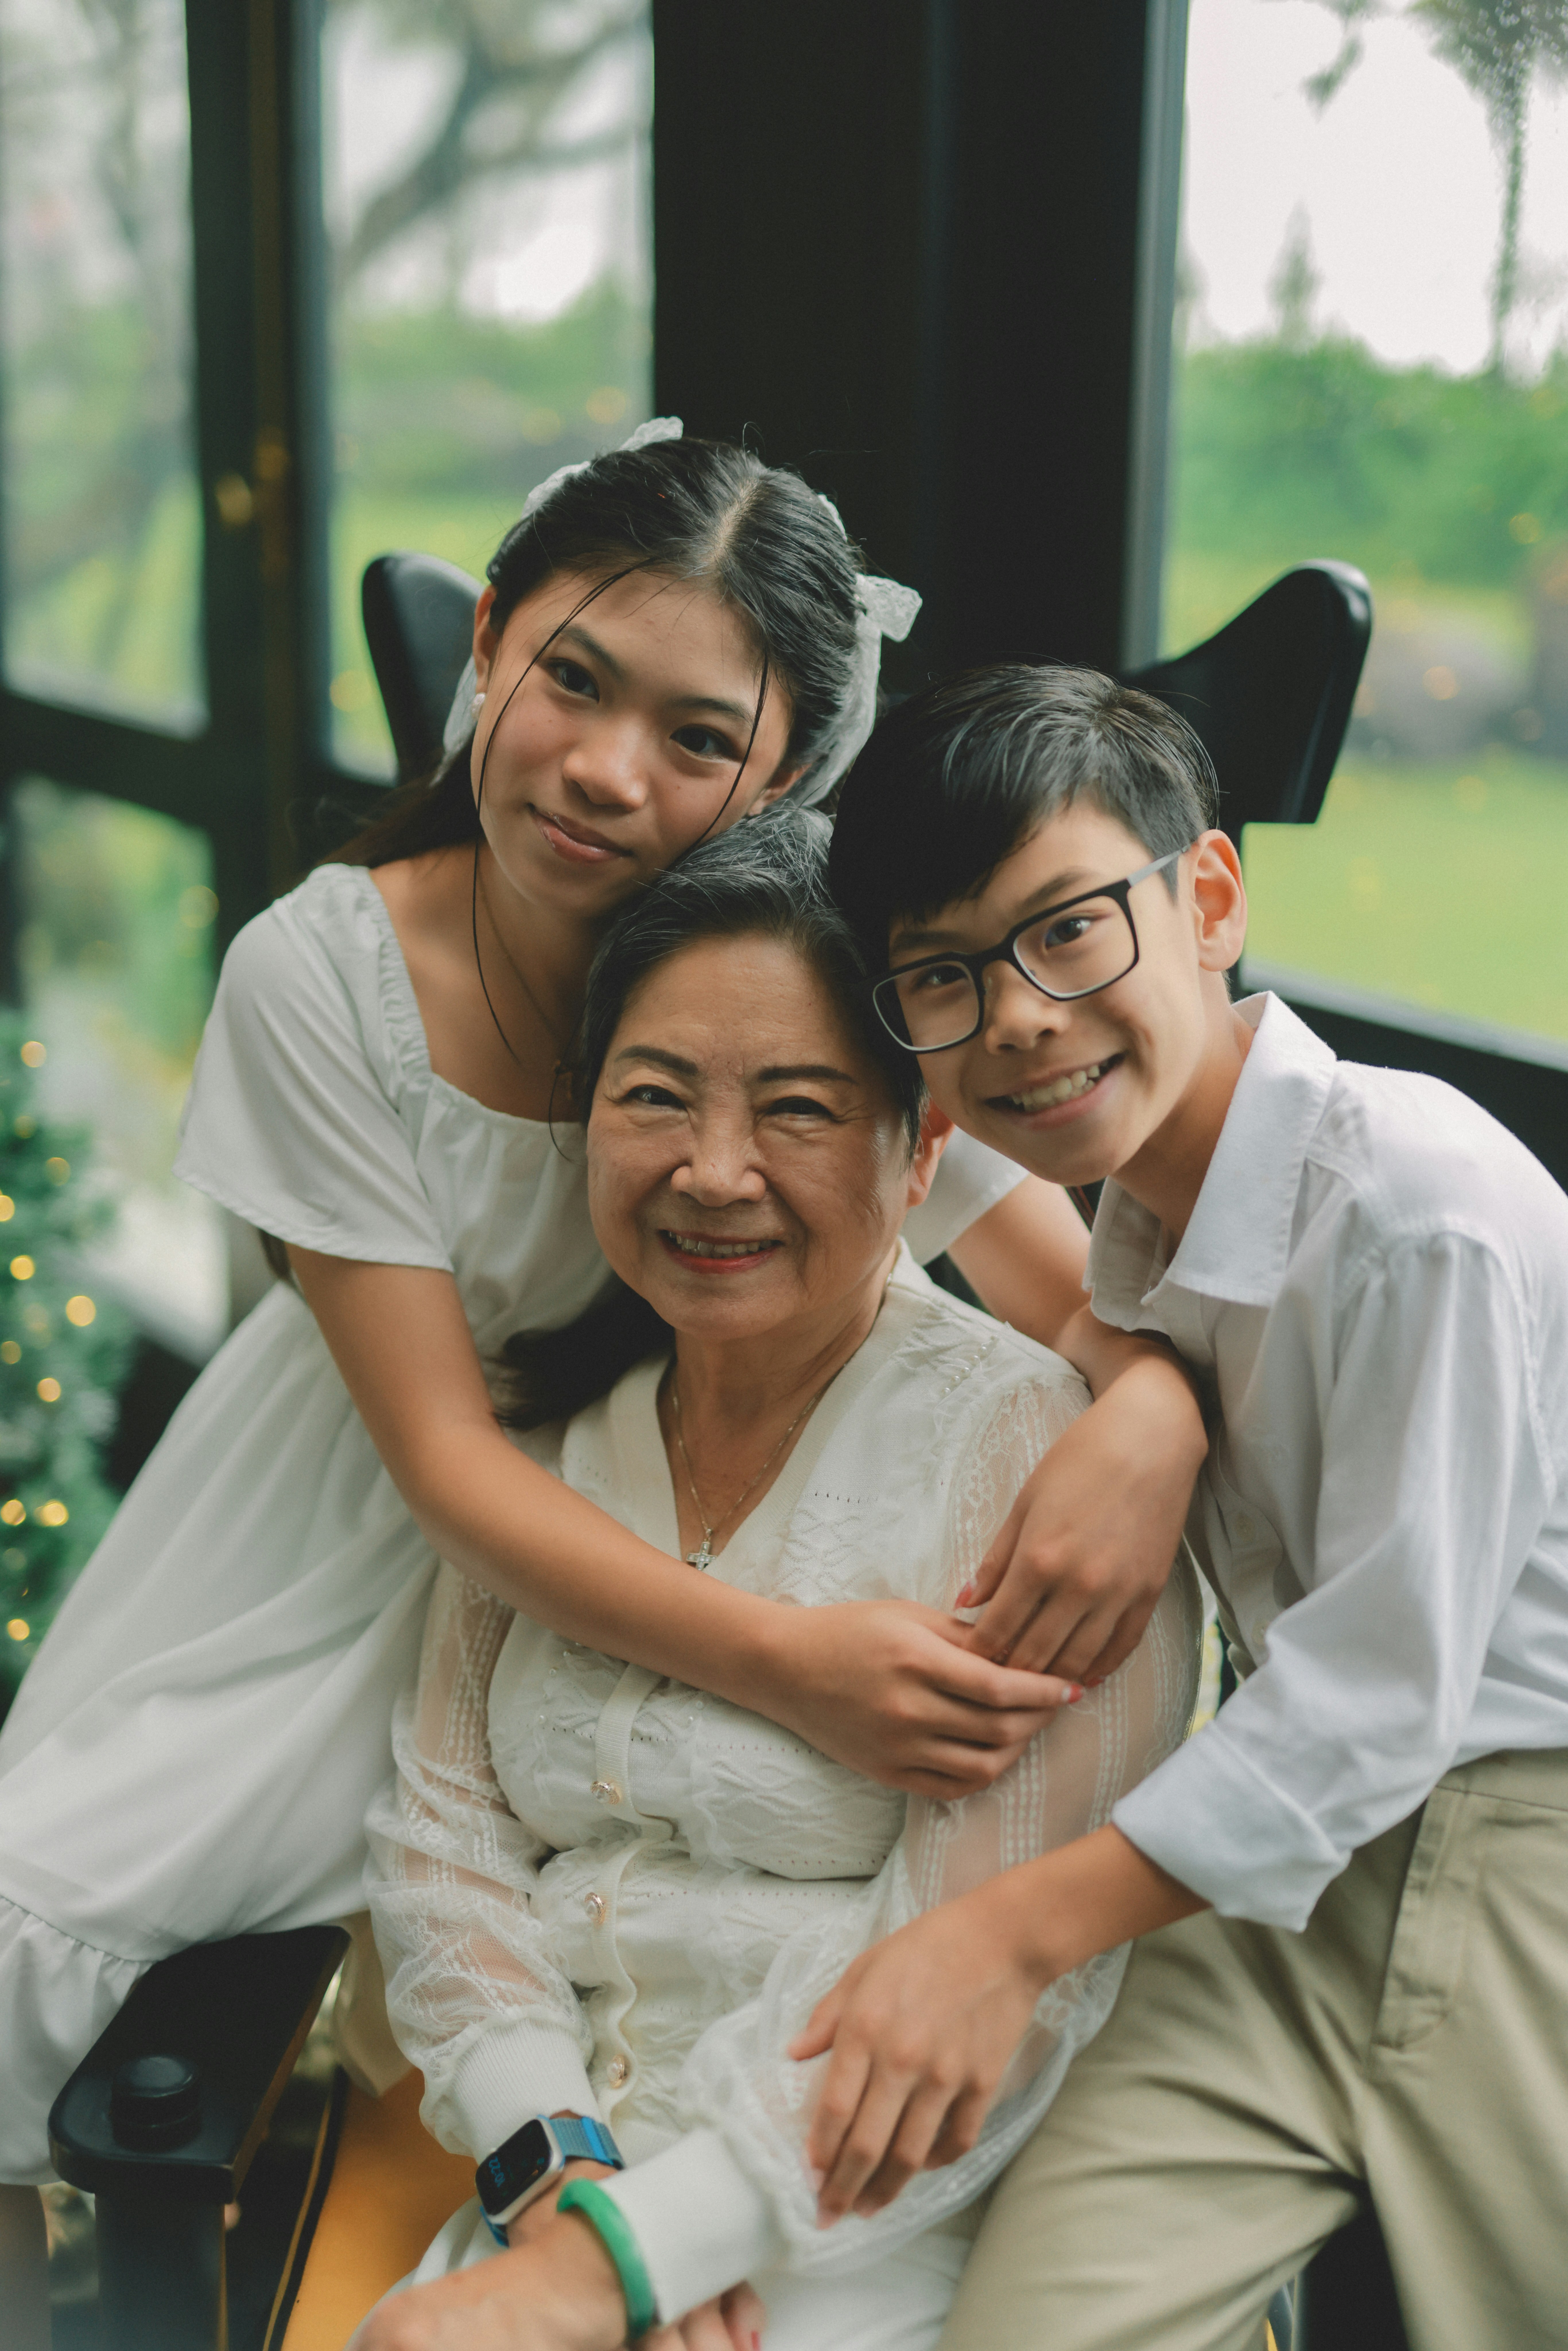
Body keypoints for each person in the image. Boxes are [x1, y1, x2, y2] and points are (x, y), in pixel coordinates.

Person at [0, 439, 1205, 2311]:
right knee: (38, 1939)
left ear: (784, 769)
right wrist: (797, 1666)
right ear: (492, 638)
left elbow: (1076, 1306)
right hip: (380, 1522)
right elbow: (443, 1468)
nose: (607, 771)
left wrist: (1154, 1411)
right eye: (574, 678)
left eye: (697, 736)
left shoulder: (801, 984)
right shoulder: (326, 974)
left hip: (664, 1498)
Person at [761, 662, 1568, 2350]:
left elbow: (1380, 1695)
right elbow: (1046, 1241)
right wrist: (1157, 1393)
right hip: (1262, 1872)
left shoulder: (1417, 1203)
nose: (1020, 1019)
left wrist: (1000, 1939)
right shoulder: (1138, 1219)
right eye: (943, 976)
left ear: (1206, 898)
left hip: (1511, 1860)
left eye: (1066, 931)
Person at [352, 816, 1201, 2351]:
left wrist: (640, 2254)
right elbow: (441, 1848)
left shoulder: (1025, 1460)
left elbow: (996, 1982)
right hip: (548, 2187)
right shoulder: (539, 1450)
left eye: (798, 1108)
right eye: (654, 1096)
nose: (713, 1172)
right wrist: (562, 2184)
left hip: (865, 2228)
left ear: (924, 1146)